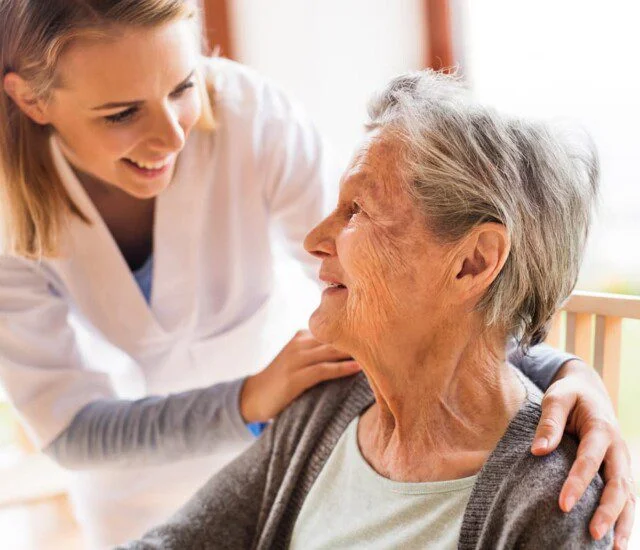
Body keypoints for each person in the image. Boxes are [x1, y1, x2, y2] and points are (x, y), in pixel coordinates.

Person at [0, 1, 633, 548]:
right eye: (120, 114)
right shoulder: (320, 420)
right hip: (154, 482)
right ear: (31, 100)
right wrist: (248, 400)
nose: (172, 135)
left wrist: (568, 373)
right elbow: (73, 429)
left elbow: (426, 289)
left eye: (183, 87)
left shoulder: (252, 118)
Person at [119, 70, 621, 550]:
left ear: (472, 262)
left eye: (356, 210)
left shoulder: (557, 502)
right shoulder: (328, 403)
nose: (314, 240)